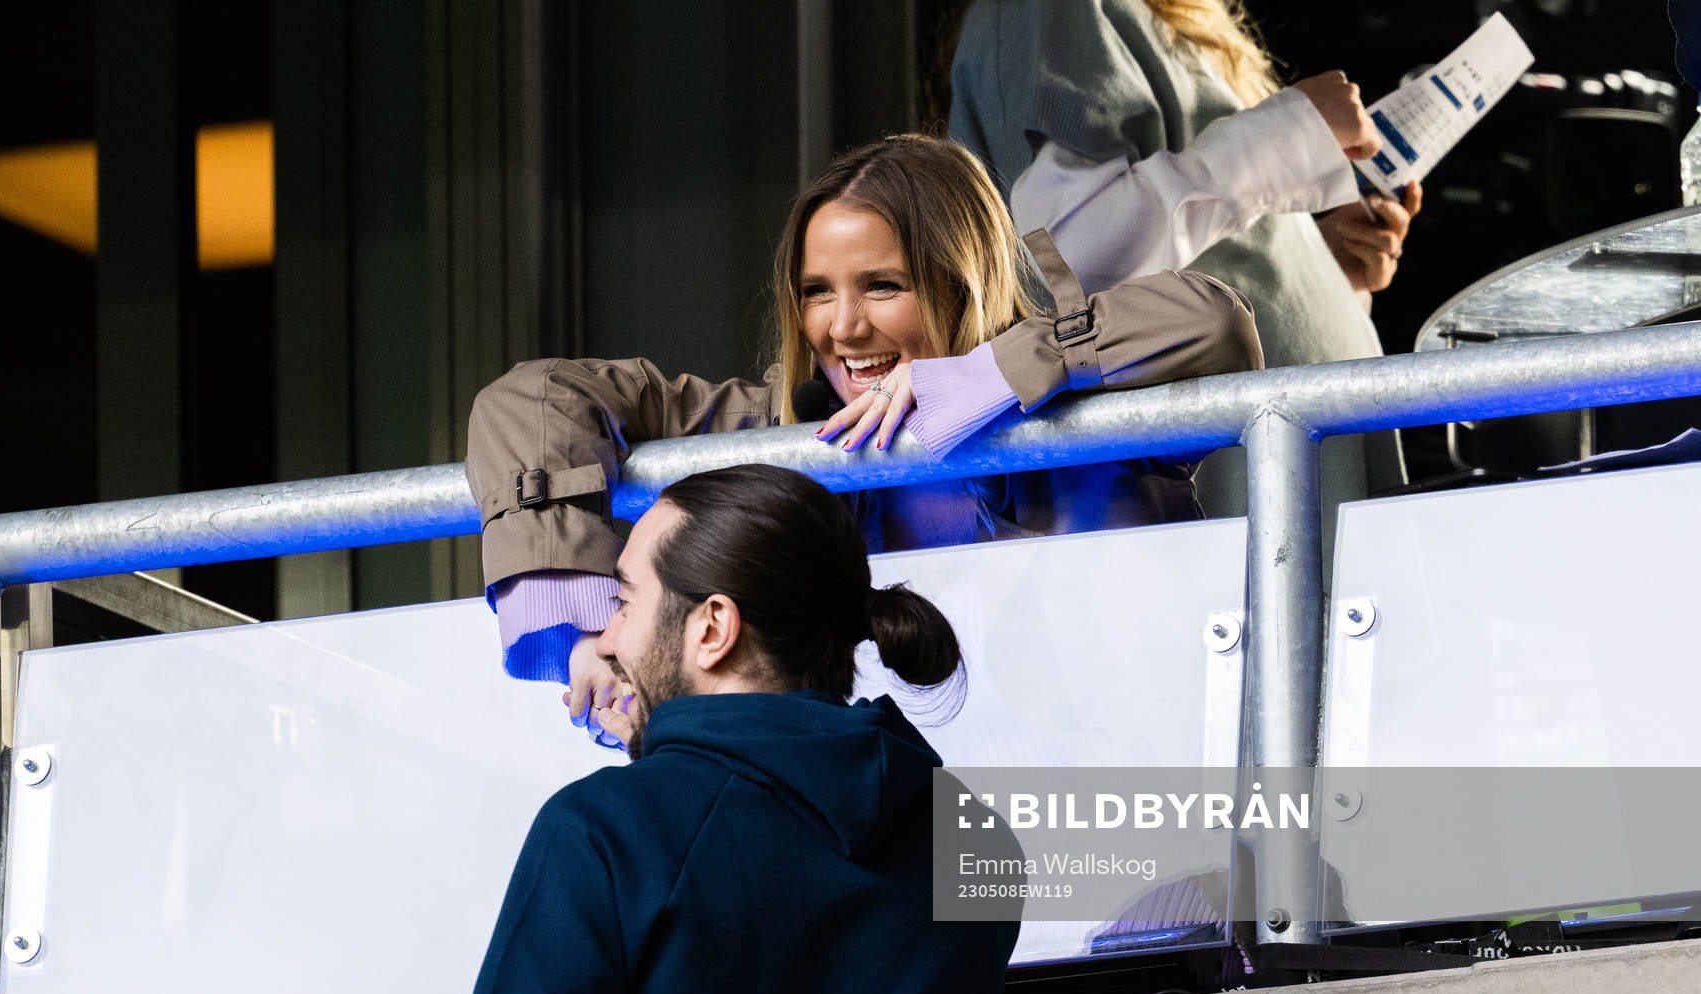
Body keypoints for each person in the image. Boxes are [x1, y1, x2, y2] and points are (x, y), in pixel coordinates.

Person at [464, 132, 1265, 741]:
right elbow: (532, 400)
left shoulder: (1076, 414)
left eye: (884, 286)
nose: (844, 327)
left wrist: (983, 379)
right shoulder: (790, 431)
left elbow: (1213, 322)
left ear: (963, 279)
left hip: (1150, 839)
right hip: (918, 882)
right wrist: (586, 635)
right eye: (817, 293)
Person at [429, 464, 1024, 994]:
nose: (602, 641)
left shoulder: (607, 833)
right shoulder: (978, 845)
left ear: (712, 627)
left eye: (625, 602)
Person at [947, 0, 1420, 538]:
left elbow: (1206, 230)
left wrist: (1326, 274)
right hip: (1225, 482)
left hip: (1292, 462)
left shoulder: (1167, 20)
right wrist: (1288, 136)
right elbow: (1068, 257)